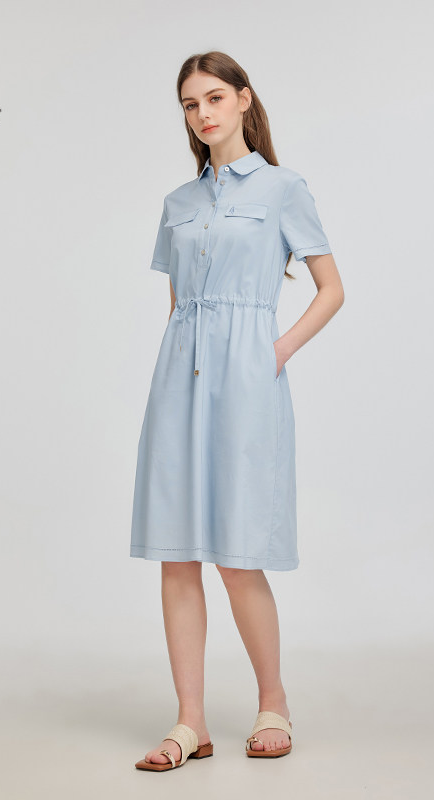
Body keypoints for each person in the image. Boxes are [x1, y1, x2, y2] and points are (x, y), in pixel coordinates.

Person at [131, 51, 344, 771]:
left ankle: (272, 702)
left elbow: (332, 289)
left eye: (215, 97)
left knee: (237, 556)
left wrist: (273, 353)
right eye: (190, 104)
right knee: (176, 555)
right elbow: (179, 303)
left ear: (244, 100)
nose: (203, 113)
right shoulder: (179, 203)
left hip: (248, 382)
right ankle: (189, 722)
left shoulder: (284, 188)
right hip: (178, 382)